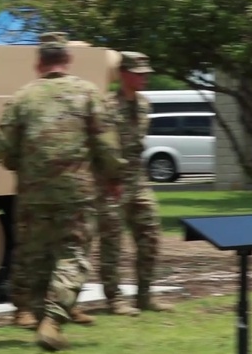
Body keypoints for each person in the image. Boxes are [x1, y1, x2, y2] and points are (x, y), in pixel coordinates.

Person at [0, 32, 126, 351]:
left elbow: (2, 139)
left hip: (33, 194)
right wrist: (115, 176)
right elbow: (105, 142)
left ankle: (29, 311)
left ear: (38, 63)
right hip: (75, 193)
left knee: (34, 254)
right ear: (68, 60)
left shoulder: (23, 96)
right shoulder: (87, 93)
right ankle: (54, 318)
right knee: (72, 255)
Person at [102, 51, 174, 313]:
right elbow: (104, 147)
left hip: (138, 178)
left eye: (146, 74)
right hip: (113, 181)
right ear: (123, 75)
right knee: (112, 241)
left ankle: (145, 295)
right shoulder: (107, 106)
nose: (144, 78)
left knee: (150, 235)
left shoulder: (145, 105)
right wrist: (112, 177)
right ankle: (114, 299)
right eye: (138, 73)